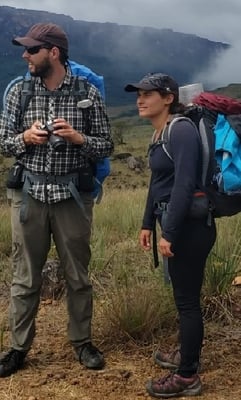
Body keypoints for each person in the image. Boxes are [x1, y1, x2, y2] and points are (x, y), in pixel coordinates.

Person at [0, 22, 114, 378]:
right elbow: (2, 140)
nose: (25, 55)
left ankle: (82, 342)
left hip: (72, 198)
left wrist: (79, 139)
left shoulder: (87, 91)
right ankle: (18, 348)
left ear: (54, 53)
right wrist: (25, 139)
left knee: (78, 275)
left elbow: (107, 144)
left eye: (32, 50)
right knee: (25, 277)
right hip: (29, 195)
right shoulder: (19, 90)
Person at [124, 73, 216, 398]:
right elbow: (159, 182)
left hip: (190, 229)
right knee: (183, 297)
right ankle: (186, 354)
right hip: (179, 226)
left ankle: (188, 375)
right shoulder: (161, 133)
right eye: (138, 93)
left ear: (168, 98)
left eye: (148, 94)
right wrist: (148, 222)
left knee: (187, 302)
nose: (140, 99)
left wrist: (171, 233)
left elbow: (184, 185)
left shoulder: (181, 131)